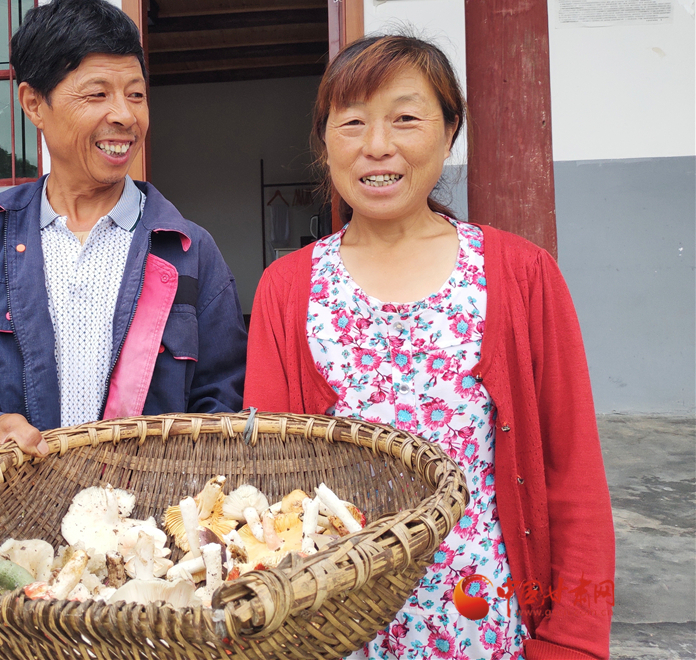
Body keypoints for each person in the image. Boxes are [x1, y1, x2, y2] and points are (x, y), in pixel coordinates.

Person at [245, 35, 614, 659]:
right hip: (338, 634)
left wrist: (573, 642)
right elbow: (269, 489)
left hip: (485, 626)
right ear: (325, 142)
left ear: (449, 133)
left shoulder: (521, 275)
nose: (376, 145)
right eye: (352, 122)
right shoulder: (287, 290)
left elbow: (571, 473)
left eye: (406, 119)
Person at [0, 0, 247, 470]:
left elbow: (225, 399)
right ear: (34, 104)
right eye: (97, 94)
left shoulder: (190, 252)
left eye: (136, 94)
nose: (125, 115)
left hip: (151, 512)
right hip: (21, 509)